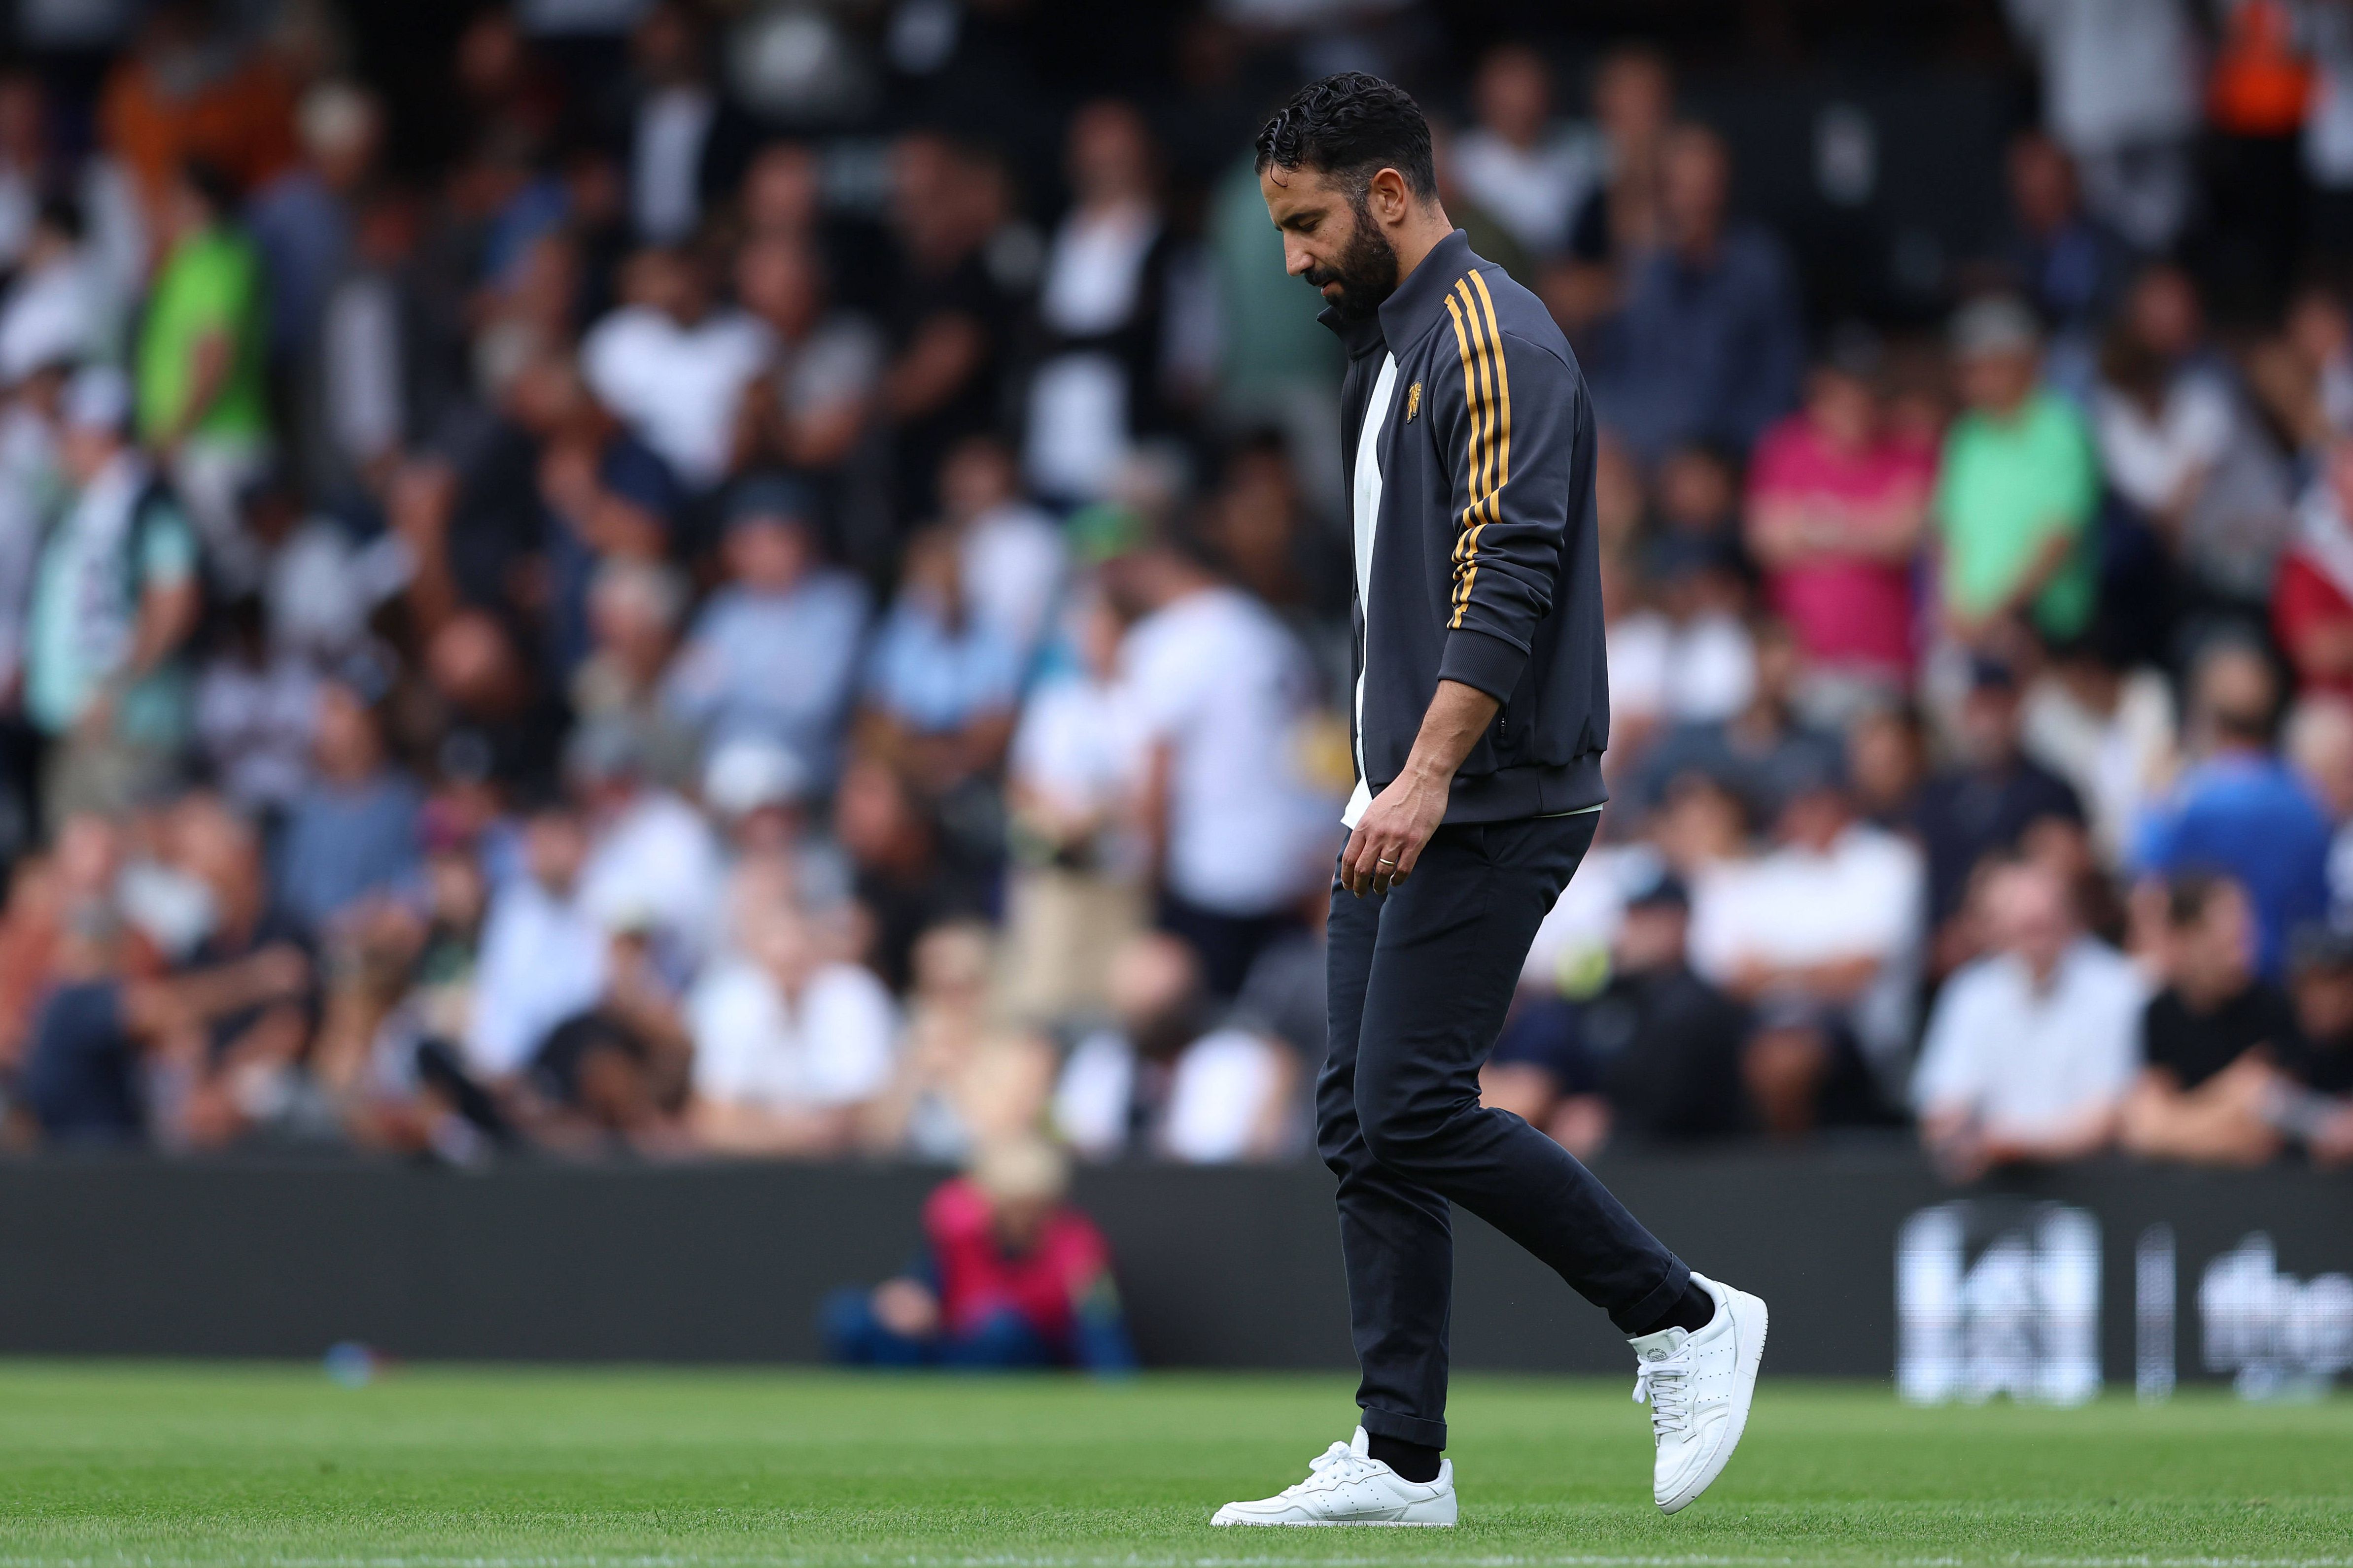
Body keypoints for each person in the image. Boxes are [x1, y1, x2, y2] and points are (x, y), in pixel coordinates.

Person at [1215, 74, 1765, 1530]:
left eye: (1307, 222)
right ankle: (1402, 1457)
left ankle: (1686, 1317)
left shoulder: (1490, 333)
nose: (1291, 258)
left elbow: (1507, 569)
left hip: (1483, 793)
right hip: (1401, 788)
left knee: (1404, 1099)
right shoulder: (1390, 344)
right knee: (1358, 1114)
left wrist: (1427, 769)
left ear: (1390, 194)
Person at [1911, 856, 2145, 1181]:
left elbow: (2109, 1118)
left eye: (2045, 925)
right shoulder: (1970, 993)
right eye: (2026, 928)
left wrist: (2007, 1143)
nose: (2037, 940)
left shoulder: (2121, 987)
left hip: (2099, 1184)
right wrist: (1961, 1135)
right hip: (1995, 1188)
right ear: (2001, 929)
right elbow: (1943, 1106)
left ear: (2071, 919)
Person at [822, 1138, 1135, 1372]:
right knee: (849, 1313)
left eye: (1032, 1207)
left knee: (1001, 1330)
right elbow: (924, 1285)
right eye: (1012, 1206)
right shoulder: (957, 1230)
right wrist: (909, 1301)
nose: (1022, 1218)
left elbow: (1101, 1326)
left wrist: (1117, 1385)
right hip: (950, 1346)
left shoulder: (1080, 1250)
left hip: (1017, 1358)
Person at [2131, 638, 2331, 979]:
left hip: (2210, 990)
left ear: (2204, 716)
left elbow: (2146, 878)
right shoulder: (2307, 802)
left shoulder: (2186, 803)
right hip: (2290, 987)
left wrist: (2154, 798)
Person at [1933, 295, 2100, 654]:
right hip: (1972, 633)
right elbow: (1949, 533)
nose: (1976, 379)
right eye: (1968, 367)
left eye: (1990, 365)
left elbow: (2059, 535)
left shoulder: (2062, 430)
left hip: (2043, 632)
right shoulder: (1966, 436)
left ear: (2025, 362)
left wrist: (1998, 612)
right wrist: (1950, 609)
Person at [2120, 872, 2301, 1166]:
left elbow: (2263, 1133)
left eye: (2246, 940)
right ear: (2185, 939)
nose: (2241, 958)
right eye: (2227, 945)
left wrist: (2173, 1122)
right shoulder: (2159, 1014)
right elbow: (2143, 1131)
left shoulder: (2275, 1009)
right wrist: (2231, 1092)